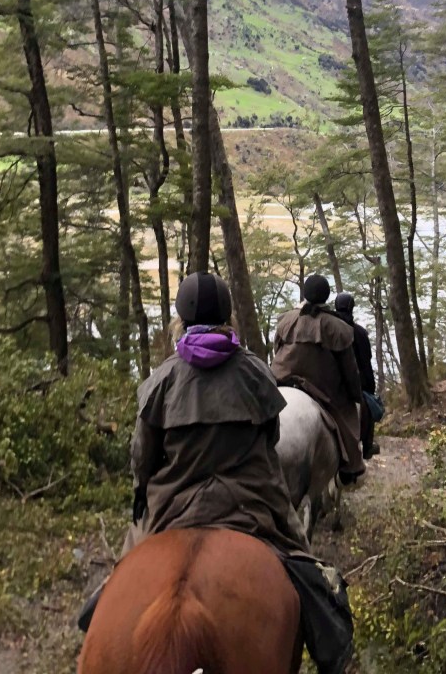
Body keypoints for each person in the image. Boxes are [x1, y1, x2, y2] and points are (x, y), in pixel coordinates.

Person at [79, 271, 353, 674]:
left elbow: (141, 455)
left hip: (174, 501)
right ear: (228, 317)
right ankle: (329, 638)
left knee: (129, 561)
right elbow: (271, 438)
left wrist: (142, 489)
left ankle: (100, 605)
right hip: (253, 499)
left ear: (181, 320)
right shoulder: (256, 373)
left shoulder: (161, 380)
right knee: (300, 556)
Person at [271, 273, 365, 483]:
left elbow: (277, 349)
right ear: (326, 295)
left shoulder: (286, 320)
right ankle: (352, 464)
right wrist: (355, 394)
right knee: (346, 414)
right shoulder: (338, 327)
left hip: (282, 376)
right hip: (320, 384)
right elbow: (349, 370)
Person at [334, 292, 381, 460]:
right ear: (352, 308)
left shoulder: (328, 329)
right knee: (368, 405)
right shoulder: (359, 333)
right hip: (353, 381)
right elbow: (365, 363)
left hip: (328, 380)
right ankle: (367, 446)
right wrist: (370, 388)